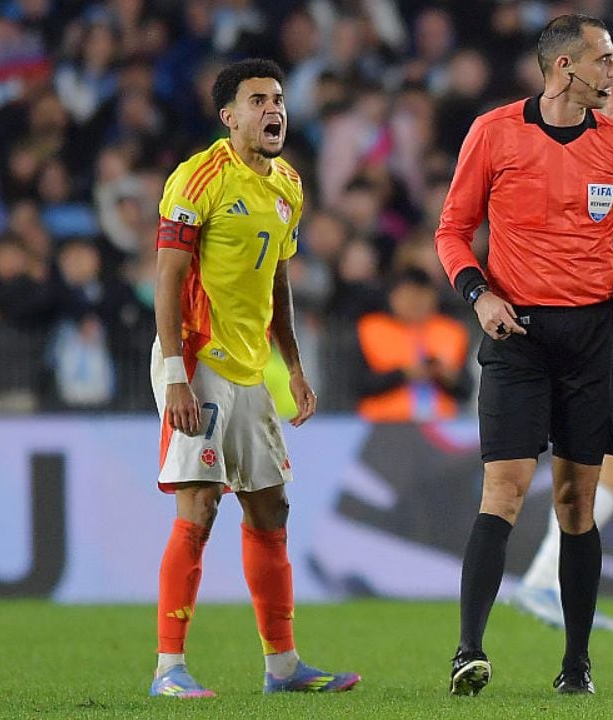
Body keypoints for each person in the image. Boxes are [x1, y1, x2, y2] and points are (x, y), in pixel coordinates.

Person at [434, 14, 613, 697]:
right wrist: (478, 295)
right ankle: (468, 652)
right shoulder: (494, 132)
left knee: (577, 500)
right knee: (505, 489)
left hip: (592, 338)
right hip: (516, 332)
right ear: (565, 68)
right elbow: (452, 231)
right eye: (605, 60)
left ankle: (576, 666)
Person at [148, 58, 359, 699]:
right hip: (197, 359)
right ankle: (168, 671)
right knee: (201, 504)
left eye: (279, 100)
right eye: (258, 101)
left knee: (270, 509)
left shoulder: (288, 184)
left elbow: (278, 279)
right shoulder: (199, 177)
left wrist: (293, 367)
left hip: (249, 369)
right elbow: (167, 279)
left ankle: (283, 666)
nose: (274, 111)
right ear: (228, 116)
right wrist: (177, 374)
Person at [508, 237, 613, 633]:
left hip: (584, 348)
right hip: (605, 352)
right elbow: (611, 280)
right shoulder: (610, 191)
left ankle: (554, 584)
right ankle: (544, 580)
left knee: (585, 473)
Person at [355, 269, 471, 422]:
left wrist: (447, 376)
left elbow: (466, 388)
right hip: (384, 425)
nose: (415, 303)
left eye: (422, 296)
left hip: (440, 426)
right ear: (393, 296)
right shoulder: (370, 328)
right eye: (409, 296)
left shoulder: (452, 331)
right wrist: (404, 373)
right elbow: (358, 383)